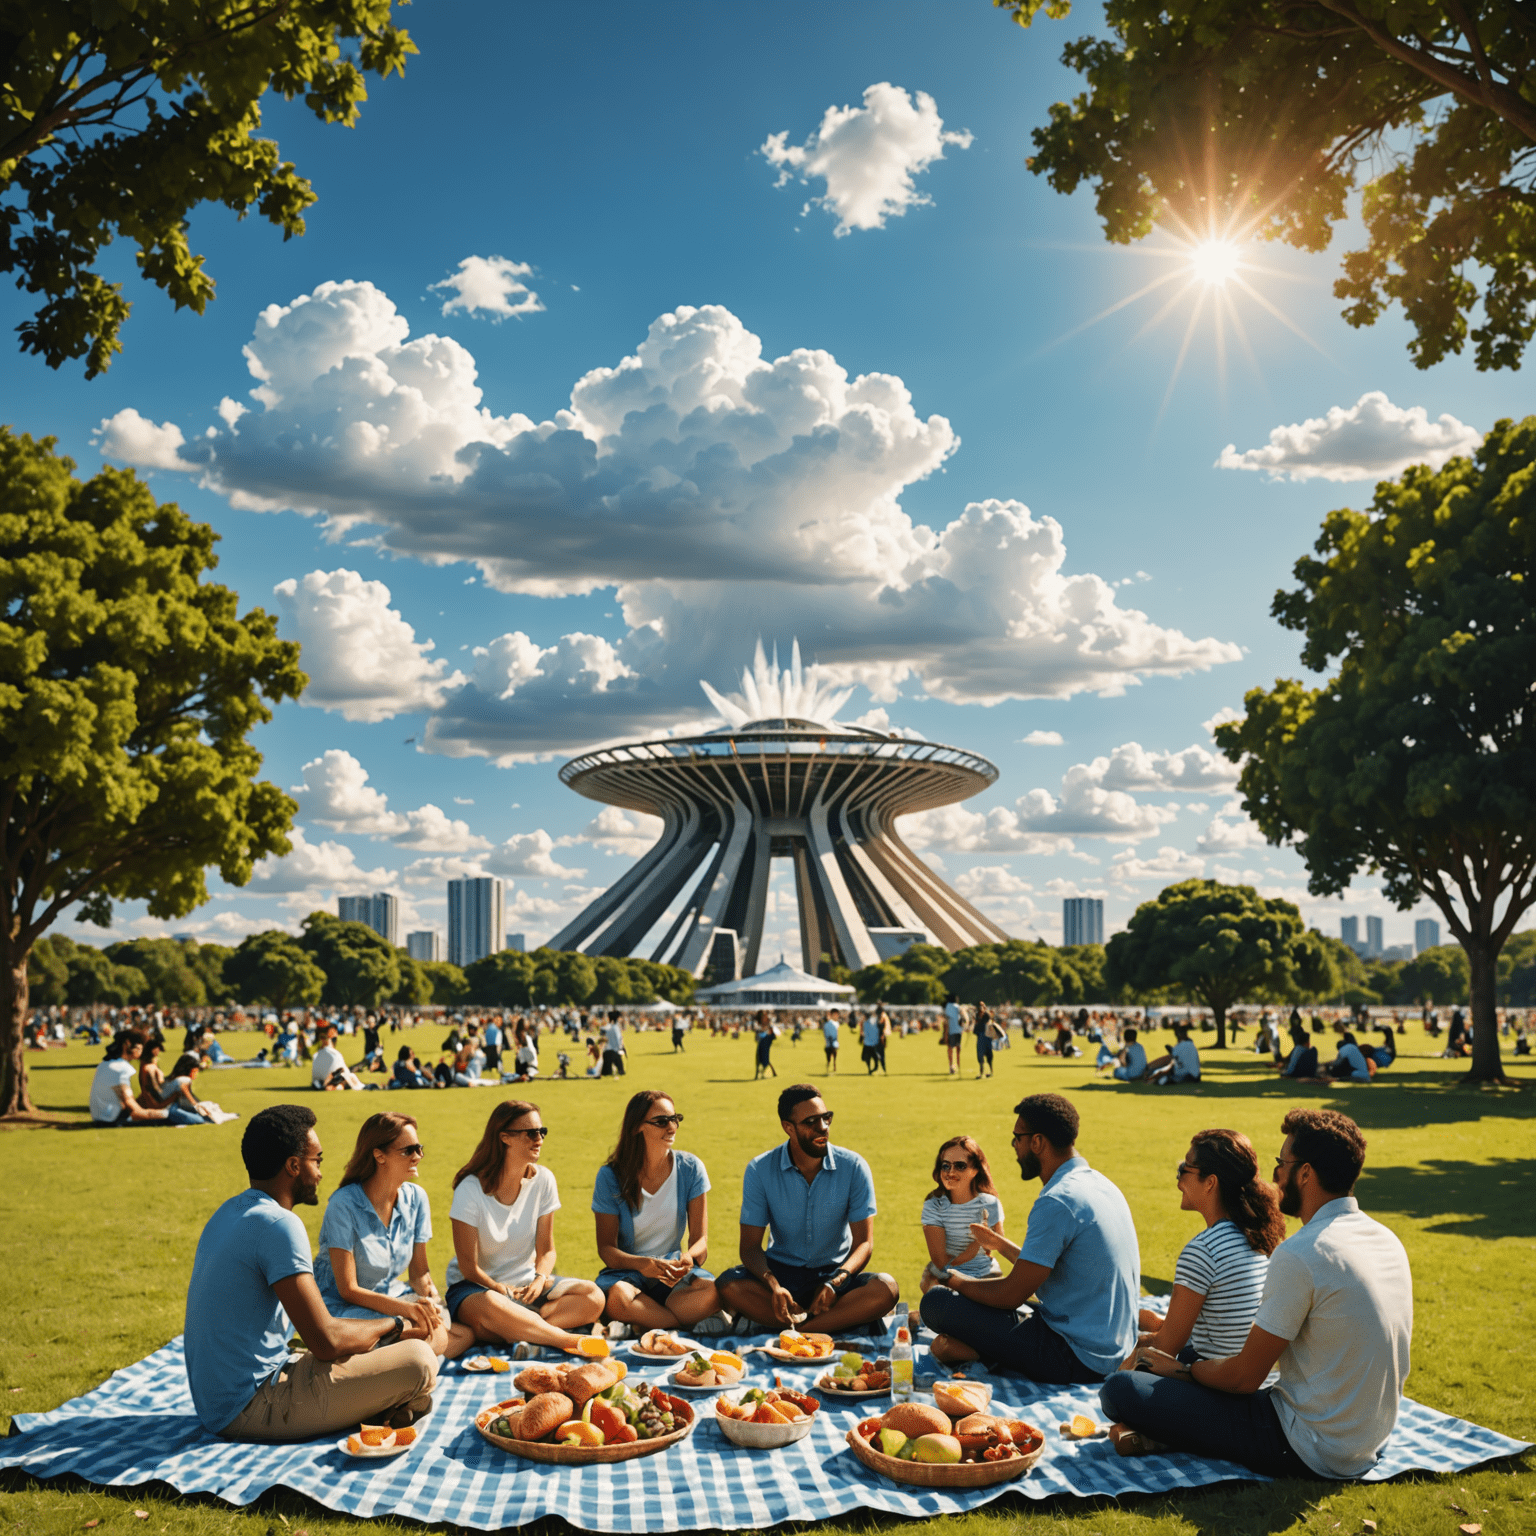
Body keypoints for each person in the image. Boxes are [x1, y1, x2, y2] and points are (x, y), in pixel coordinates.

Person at [1100, 1108, 1413, 1479]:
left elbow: (1243, 1379)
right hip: (1370, 1437)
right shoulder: (1385, 1240)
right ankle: (1166, 1430)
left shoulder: (1303, 1253)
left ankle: (1165, 1433)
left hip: (1309, 1445)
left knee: (1122, 1389)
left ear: (1306, 1173)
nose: (1276, 1174)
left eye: (1283, 1162)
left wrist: (1184, 1370)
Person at [183, 1104, 438, 1440]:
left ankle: (386, 1403)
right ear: (293, 1165)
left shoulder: (231, 1211)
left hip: (231, 1394)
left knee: (396, 1351)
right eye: (316, 1160)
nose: (319, 1172)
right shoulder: (279, 1224)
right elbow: (326, 1342)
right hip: (249, 1406)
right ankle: (388, 1402)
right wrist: (396, 1323)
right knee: (418, 1360)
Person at [919, 1092, 1139, 1384]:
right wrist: (999, 1245)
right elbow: (1048, 1269)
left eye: (1017, 1138)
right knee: (981, 1304)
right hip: (1113, 1344)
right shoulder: (1099, 1183)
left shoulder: (1057, 1200)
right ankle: (974, 1348)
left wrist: (953, 1281)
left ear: (1036, 1142)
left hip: (1079, 1357)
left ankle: (975, 1351)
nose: (1014, 1146)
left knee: (937, 1303)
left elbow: (1011, 1294)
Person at [717, 1083, 899, 1334]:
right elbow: (749, 1247)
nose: (822, 1128)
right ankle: (827, 1322)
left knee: (886, 1289)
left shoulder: (854, 1167)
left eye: (826, 1118)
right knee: (728, 1284)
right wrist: (773, 1285)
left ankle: (799, 1330)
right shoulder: (760, 1169)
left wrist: (837, 1281)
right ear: (788, 1127)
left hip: (835, 1273)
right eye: (811, 1121)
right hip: (781, 1271)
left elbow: (864, 1243)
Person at [444, 1100, 606, 1351]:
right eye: (530, 1133)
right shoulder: (470, 1189)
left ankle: (520, 1331)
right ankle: (567, 1340)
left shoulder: (544, 1180)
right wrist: (499, 1289)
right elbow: (468, 1266)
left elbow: (547, 1250)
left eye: (542, 1132)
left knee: (593, 1296)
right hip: (477, 1289)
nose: (539, 1139)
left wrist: (540, 1279)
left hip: (526, 1284)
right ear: (505, 1137)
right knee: (491, 1307)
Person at [314, 1113, 473, 1359]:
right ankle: (412, 1364)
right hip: (343, 1310)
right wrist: (408, 1310)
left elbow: (419, 1273)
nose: (418, 1156)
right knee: (427, 1332)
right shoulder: (343, 1205)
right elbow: (348, 1289)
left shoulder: (417, 1198)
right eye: (408, 1150)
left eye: (419, 1148)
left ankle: (405, 1365)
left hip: (391, 1299)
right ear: (379, 1156)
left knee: (461, 1333)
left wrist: (429, 1298)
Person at [1125, 1129, 1283, 1373]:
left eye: (1184, 1170)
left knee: (1122, 1386)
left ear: (1210, 1182)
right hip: (1254, 1376)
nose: (1178, 1182)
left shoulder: (1204, 1251)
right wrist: (1155, 1323)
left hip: (1220, 1380)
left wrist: (1124, 1350)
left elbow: (1166, 1347)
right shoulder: (1256, 1235)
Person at [592, 1090, 723, 1332]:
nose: (672, 1127)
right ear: (636, 1128)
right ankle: (680, 1326)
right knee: (618, 1298)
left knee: (712, 1290)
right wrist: (643, 1265)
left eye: (675, 1119)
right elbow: (607, 1250)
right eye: (662, 1122)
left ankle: (646, 1323)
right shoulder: (610, 1177)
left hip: (673, 1275)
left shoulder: (690, 1168)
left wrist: (688, 1258)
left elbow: (700, 1241)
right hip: (629, 1276)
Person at [919, 1136, 1004, 1294]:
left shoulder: (990, 1203)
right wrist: (978, 1241)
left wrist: (986, 1241)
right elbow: (941, 1261)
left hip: (986, 1275)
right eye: (945, 1166)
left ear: (975, 1170)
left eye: (960, 1166)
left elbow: (997, 1245)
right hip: (944, 1278)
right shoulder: (934, 1204)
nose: (951, 1172)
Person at [90, 1031, 200, 1126]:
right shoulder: (121, 1068)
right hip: (115, 1119)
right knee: (178, 1114)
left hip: (102, 1118)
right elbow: (135, 1109)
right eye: (140, 1047)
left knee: (174, 1111)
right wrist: (160, 1112)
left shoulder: (105, 1065)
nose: (141, 1051)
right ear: (127, 1044)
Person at [312, 1025, 363, 1091]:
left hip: (324, 1079)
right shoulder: (335, 1054)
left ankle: (329, 1083)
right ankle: (331, 1084)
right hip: (333, 1078)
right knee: (343, 1079)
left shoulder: (316, 1055)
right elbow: (344, 1071)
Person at [753, 1010, 779, 1079]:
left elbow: (771, 1035)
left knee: (764, 1060)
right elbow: (756, 1037)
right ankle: (771, 1073)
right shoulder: (761, 1023)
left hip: (765, 1043)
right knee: (761, 1059)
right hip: (762, 1043)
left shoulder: (768, 1024)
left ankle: (760, 1075)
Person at [974, 1002, 997, 1079]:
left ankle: (991, 1071)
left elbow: (989, 1022)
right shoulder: (977, 1015)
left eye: (982, 1006)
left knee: (989, 1055)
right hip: (980, 1037)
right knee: (980, 1056)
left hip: (986, 1037)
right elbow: (976, 1024)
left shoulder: (987, 1015)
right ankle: (981, 1073)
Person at [943, 996, 964, 1075]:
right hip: (958, 1030)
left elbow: (947, 1020)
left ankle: (951, 1066)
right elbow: (962, 1017)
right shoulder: (958, 1007)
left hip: (951, 1030)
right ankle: (957, 1065)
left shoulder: (948, 1006)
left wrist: (945, 1033)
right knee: (958, 1048)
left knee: (950, 1048)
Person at [601, 1011, 626, 1077]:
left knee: (606, 1073)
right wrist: (622, 1048)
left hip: (606, 1053)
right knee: (621, 1071)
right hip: (614, 1053)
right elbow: (618, 1041)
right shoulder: (616, 1027)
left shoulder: (607, 1027)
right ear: (617, 1018)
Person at [860, 1009, 882, 1075]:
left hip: (867, 1044)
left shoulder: (865, 1023)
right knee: (874, 1058)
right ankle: (874, 1067)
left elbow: (864, 1033)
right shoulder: (874, 1023)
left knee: (867, 1058)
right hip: (874, 1043)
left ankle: (869, 1069)